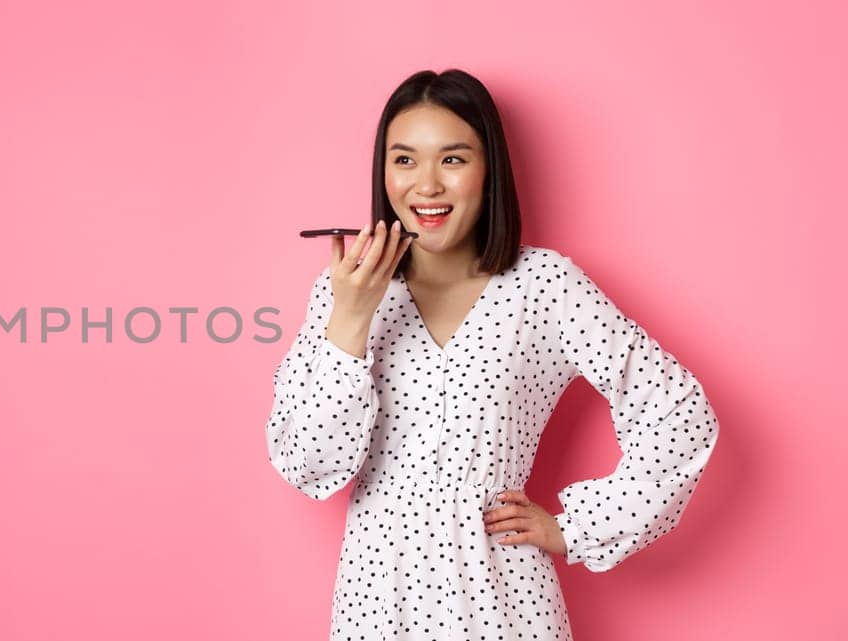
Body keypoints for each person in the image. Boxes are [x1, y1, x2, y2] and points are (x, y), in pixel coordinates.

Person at [264, 69, 720, 639]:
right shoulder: (343, 292)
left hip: (503, 598)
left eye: (452, 160)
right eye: (404, 160)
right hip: (376, 599)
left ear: (490, 171)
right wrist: (352, 318)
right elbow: (310, 466)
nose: (426, 186)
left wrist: (578, 527)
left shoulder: (545, 285)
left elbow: (679, 413)